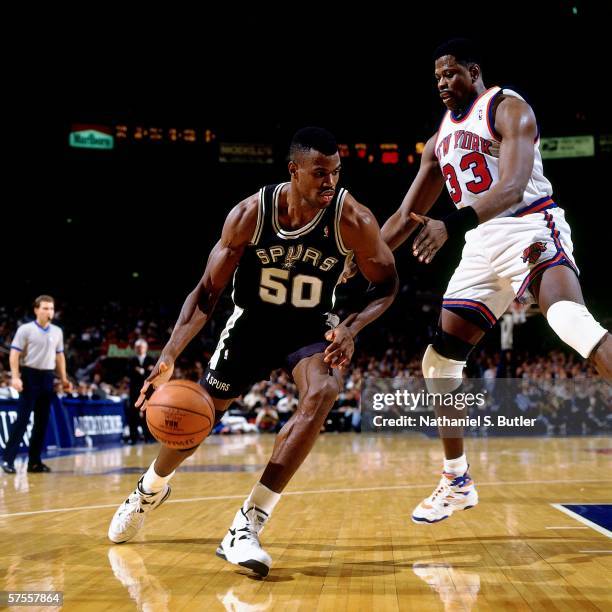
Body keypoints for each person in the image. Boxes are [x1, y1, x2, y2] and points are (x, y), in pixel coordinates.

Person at [107, 127, 398, 577]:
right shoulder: (250, 214)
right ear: (294, 171)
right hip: (252, 326)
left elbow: (387, 285)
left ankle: (248, 523)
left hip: (308, 329)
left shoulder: (352, 218)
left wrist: (351, 327)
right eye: (320, 173)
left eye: (336, 173)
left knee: (323, 392)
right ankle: (150, 487)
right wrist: (168, 355)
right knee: (196, 419)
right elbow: (206, 294)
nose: (330, 182)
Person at [378, 38, 611, 524]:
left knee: (572, 323)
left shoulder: (508, 108)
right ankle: (456, 481)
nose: (442, 84)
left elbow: (510, 185)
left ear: (473, 71)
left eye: (450, 74)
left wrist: (450, 224)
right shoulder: (440, 139)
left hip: (530, 224)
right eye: (436, 78)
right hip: (481, 244)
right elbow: (407, 214)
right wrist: (360, 261)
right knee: (438, 364)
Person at [2, 295, 73, 474]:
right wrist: (16, 377)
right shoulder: (25, 329)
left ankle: (34, 462)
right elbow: (14, 354)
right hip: (29, 374)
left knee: (42, 422)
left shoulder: (57, 331)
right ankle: (8, 460)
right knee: (22, 420)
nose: (49, 312)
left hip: (47, 377)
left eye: (51, 308)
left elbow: (60, 356)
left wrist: (64, 379)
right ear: (36, 310)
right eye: (45, 308)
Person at [126, 339, 155, 443]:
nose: (139, 349)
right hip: (134, 392)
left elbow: (153, 374)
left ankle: (149, 436)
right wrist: (145, 370)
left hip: (147, 391)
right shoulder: (131, 360)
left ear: (146, 348)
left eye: (141, 347)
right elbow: (129, 373)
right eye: (137, 347)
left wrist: (141, 370)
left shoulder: (151, 359)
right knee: (133, 414)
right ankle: (133, 437)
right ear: (135, 348)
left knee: (148, 413)